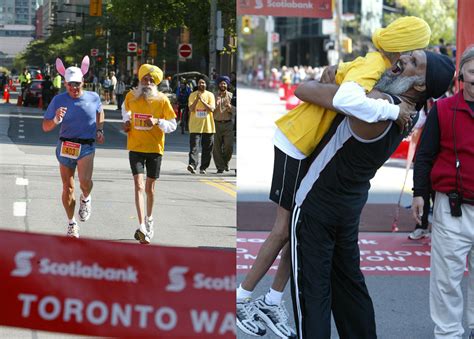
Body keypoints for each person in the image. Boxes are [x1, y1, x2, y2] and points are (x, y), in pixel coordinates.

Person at [236, 16, 431, 338]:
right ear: (403, 48)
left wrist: (332, 76)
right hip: (297, 141)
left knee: (297, 234)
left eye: (418, 58)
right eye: (414, 52)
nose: (412, 58)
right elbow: (330, 95)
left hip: (310, 147)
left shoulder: (380, 72)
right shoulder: (374, 69)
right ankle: (243, 297)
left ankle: (271, 299)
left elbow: (334, 78)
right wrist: (393, 111)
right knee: (285, 229)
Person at [290, 50, 455, 338]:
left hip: (316, 205)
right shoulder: (409, 114)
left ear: (418, 86)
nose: (401, 60)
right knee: (349, 288)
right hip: (348, 208)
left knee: (313, 294)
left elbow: (303, 89)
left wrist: (338, 76)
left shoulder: (377, 103)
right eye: (408, 55)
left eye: (414, 63)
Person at [412, 45, 474, 339]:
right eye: (472, 71)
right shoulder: (443, 109)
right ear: (461, 73)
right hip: (453, 208)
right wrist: (419, 193)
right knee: (446, 279)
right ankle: (449, 333)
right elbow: (424, 154)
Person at [42, 56, 105, 238]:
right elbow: (45, 127)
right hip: (65, 145)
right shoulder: (58, 100)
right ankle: (71, 223)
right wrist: (55, 119)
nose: (73, 88)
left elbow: (100, 112)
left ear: (83, 82)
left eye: (76, 84)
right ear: (65, 83)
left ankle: (86, 198)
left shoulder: (93, 97)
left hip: (86, 145)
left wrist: (99, 129)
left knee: (84, 183)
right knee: (67, 187)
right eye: (70, 84)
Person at [122, 64, 177, 244]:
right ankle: (141, 226)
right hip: (136, 147)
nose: (148, 82)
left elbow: (172, 125)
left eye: (152, 80)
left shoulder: (162, 100)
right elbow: (125, 111)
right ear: (140, 80)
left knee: (149, 189)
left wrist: (158, 121)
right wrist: (127, 122)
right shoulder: (131, 96)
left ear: (156, 83)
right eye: (145, 79)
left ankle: (150, 219)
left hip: (154, 149)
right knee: (138, 185)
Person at [187, 77, 215, 175]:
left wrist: (202, 101)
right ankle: (192, 165)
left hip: (208, 126)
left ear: (206, 84)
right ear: (197, 84)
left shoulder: (210, 95)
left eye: (203, 83)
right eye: (200, 83)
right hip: (195, 126)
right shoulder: (192, 95)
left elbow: (211, 109)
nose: (201, 84)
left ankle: (203, 167)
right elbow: (191, 109)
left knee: (207, 148)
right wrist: (197, 100)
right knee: (194, 147)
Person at [213, 76, 234, 173]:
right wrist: (215, 105)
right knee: (216, 147)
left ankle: (226, 162)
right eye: (221, 83)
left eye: (224, 83)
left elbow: (236, 110)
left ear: (227, 85)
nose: (222, 85)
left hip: (228, 124)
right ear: (218, 85)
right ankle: (220, 167)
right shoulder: (213, 96)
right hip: (216, 123)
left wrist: (230, 107)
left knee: (229, 146)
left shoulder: (231, 95)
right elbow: (209, 109)